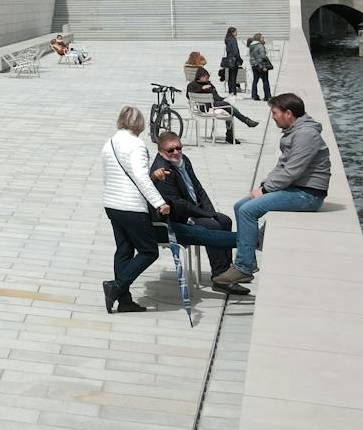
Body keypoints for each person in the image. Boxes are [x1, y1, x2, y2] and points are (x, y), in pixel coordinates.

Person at [215, 93, 331, 288]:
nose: (273, 116)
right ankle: (252, 247)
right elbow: (282, 167)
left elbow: (292, 170)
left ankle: (244, 267)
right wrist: (263, 186)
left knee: (247, 210)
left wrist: (267, 189)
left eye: (275, 112)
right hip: (296, 188)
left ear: (288, 113)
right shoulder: (296, 131)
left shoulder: (305, 135)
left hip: (308, 194)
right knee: (240, 205)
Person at [149, 132, 247, 295]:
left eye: (178, 148)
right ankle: (219, 277)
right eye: (170, 150)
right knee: (213, 225)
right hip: (179, 217)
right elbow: (180, 205)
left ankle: (226, 272)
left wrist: (210, 211)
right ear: (160, 152)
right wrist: (206, 215)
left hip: (195, 209)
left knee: (225, 221)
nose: (176, 152)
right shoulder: (163, 172)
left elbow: (198, 188)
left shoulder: (184, 160)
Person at [100, 106, 170, 314]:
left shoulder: (110, 143)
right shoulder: (137, 145)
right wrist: (159, 203)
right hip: (131, 206)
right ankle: (116, 286)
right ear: (139, 124)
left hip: (112, 203)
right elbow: (141, 177)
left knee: (124, 250)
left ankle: (125, 301)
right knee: (149, 251)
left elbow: (106, 175)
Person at [186, 62, 259, 143]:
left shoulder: (209, 84)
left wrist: (225, 98)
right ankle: (245, 122)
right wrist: (202, 89)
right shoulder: (192, 85)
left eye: (208, 77)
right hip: (204, 107)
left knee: (229, 109)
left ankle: (231, 135)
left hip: (214, 104)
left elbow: (217, 97)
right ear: (200, 77)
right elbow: (188, 95)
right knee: (228, 107)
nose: (207, 79)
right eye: (206, 77)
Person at [248, 33, 273, 101]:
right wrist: (264, 65)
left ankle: (254, 95)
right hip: (261, 65)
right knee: (265, 80)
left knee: (255, 80)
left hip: (254, 65)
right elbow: (263, 56)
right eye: (262, 38)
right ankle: (267, 96)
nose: (263, 39)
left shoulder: (251, 46)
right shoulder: (260, 46)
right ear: (259, 39)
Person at [222, 27, 244, 95]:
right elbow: (235, 51)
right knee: (234, 77)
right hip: (234, 60)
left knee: (230, 76)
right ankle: (233, 92)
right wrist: (240, 59)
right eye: (235, 32)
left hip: (229, 59)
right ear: (232, 32)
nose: (236, 33)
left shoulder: (227, 39)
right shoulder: (233, 40)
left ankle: (230, 90)